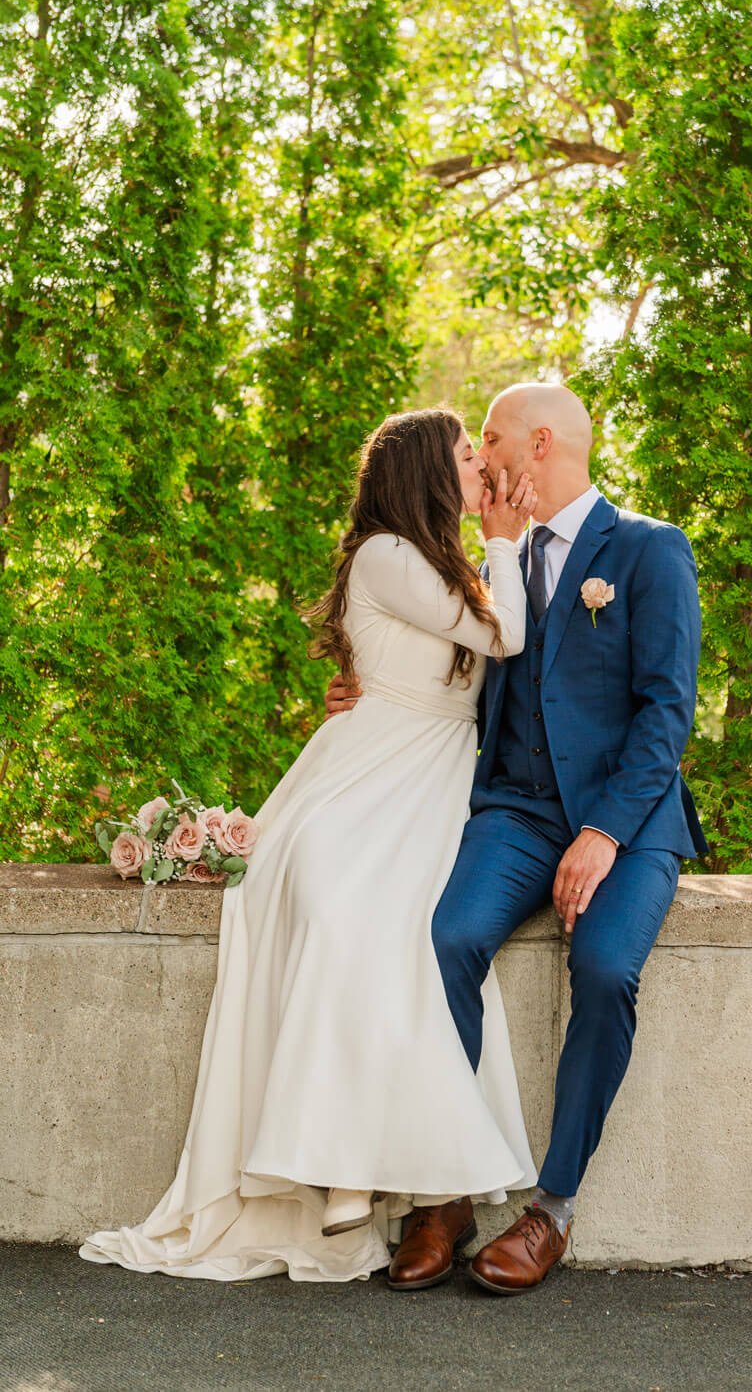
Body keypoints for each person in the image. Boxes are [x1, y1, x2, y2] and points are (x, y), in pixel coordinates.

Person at [80, 408, 539, 1284]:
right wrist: (507, 540)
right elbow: (502, 635)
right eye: (465, 454)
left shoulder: (454, 565)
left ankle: (365, 1167)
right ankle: (336, 1166)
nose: (479, 463)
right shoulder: (388, 556)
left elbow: (485, 650)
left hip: (429, 776)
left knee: (404, 928)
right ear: (426, 475)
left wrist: (499, 547)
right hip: (367, 771)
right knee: (338, 907)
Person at [326, 382, 707, 1293]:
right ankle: (448, 1195)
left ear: (538, 445)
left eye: (490, 437)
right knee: (448, 939)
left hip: (627, 821)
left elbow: (668, 709)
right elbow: (436, 663)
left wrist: (608, 831)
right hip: (516, 810)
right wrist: (362, 699)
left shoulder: (649, 549)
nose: (481, 455)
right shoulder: (487, 557)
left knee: (607, 970)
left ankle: (552, 1209)